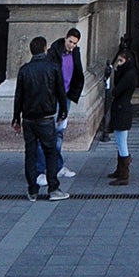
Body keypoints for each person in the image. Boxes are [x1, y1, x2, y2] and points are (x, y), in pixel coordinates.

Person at [11, 36, 70, 199]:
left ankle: (32, 190)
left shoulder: (24, 70)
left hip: (28, 118)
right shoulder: (53, 67)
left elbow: (18, 96)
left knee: (30, 153)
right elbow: (60, 92)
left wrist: (16, 118)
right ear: (45, 49)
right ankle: (53, 189)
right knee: (50, 152)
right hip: (46, 117)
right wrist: (63, 111)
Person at [102, 39, 137, 185]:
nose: (119, 64)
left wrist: (111, 78)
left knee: (122, 141)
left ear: (127, 60)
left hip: (123, 110)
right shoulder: (127, 72)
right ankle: (120, 169)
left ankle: (124, 173)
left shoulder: (129, 75)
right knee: (119, 139)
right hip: (121, 108)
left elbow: (115, 91)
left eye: (121, 61)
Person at [55, 27, 85, 184]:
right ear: (65, 38)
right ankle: (45, 168)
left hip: (66, 97)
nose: (72, 45)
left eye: (74, 43)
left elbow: (77, 74)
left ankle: (57, 166)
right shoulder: (55, 53)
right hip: (54, 98)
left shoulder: (75, 53)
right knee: (49, 133)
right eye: (70, 42)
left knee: (60, 132)